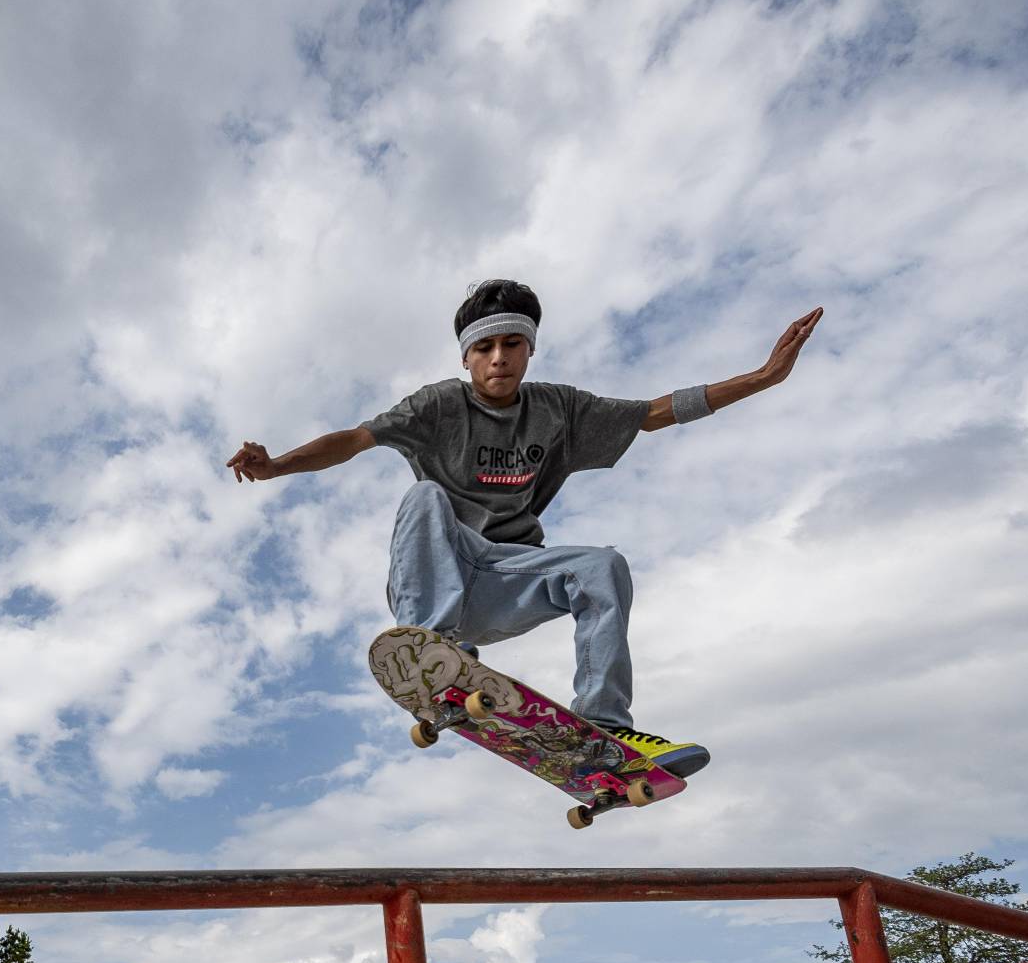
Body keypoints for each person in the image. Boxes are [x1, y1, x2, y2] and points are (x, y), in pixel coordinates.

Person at [225, 278, 822, 777]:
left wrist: (762, 378)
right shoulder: (437, 405)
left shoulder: (557, 408)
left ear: (530, 351)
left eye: (513, 345)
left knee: (602, 565)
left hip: (507, 577)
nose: (499, 359)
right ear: (466, 356)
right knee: (426, 496)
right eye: (485, 348)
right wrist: (278, 465)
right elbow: (354, 439)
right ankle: (432, 653)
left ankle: (604, 732)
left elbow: (652, 413)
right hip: (441, 573)